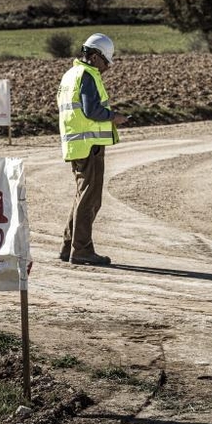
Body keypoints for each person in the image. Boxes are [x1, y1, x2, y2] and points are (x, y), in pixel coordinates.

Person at [57, 33, 129, 266]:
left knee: (82, 196)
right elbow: (91, 111)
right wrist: (113, 117)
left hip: (76, 145)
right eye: (106, 61)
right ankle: (82, 250)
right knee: (90, 199)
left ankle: (69, 246)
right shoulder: (87, 75)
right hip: (90, 146)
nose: (108, 66)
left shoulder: (70, 75)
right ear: (96, 57)